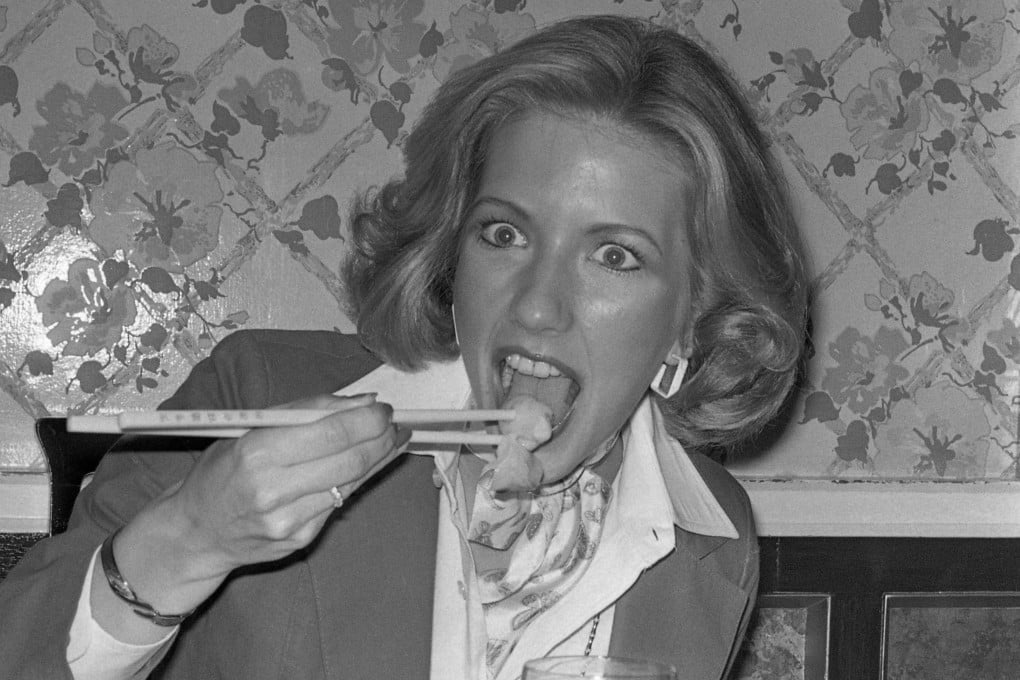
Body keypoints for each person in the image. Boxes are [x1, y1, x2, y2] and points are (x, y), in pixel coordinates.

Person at [0, 14, 808, 680]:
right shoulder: (264, 393)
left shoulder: (709, 532)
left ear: (694, 312)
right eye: (505, 233)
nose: (537, 306)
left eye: (615, 256)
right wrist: (188, 539)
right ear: (451, 254)